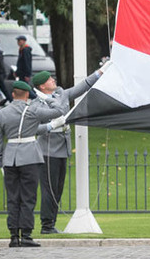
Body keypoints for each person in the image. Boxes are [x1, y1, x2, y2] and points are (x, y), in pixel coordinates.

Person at [0, 80, 65, 247]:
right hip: (30, 157)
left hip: (10, 158)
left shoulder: (2, 113)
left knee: (13, 198)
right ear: (26, 95)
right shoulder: (32, 111)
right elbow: (59, 110)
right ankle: (25, 234)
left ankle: (13, 236)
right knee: (28, 197)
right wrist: (47, 99)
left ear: (12, 95)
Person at [32, 68, 103, 234]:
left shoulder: (61, 94)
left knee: (58, 189)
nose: (53, 81)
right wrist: (50, 126)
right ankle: (47, 225)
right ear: (42, 86)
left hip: (62, 149)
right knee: (49, 190)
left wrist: (100, 72)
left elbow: (82, 86)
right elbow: (34, 128)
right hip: (47, 151)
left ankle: (51, 223)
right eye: (50, 80)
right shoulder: (36, 105)